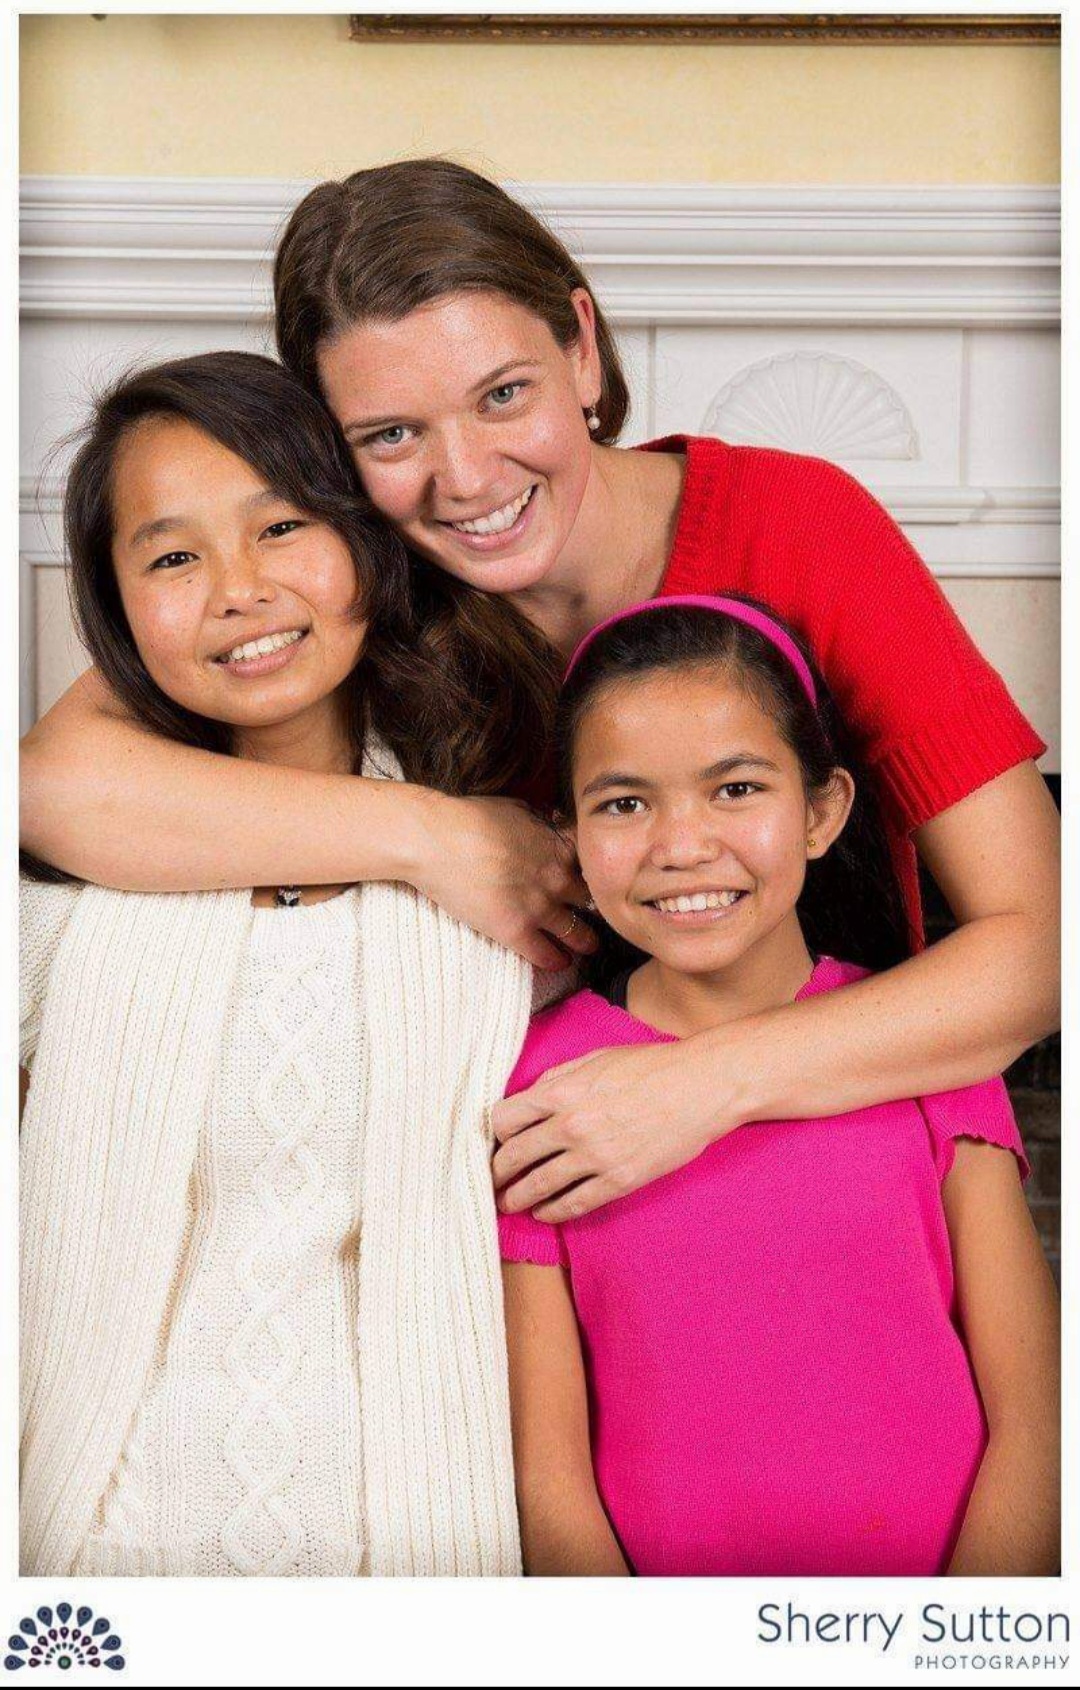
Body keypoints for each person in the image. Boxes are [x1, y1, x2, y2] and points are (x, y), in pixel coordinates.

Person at [21, 159, 1060, 1224]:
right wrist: (437, 837)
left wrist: (704, 1083)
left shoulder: (799, 524)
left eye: (503, 395)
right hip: (543, 1223)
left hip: (853, 1161)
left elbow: (1036, 946)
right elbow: (54, 785)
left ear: (580, 344)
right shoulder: (354, 583)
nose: (465, 479)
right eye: (390, 436)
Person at [19, 352, 542, 1578]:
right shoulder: (59, 897)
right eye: (171, 557)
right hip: (100, 1548)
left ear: (369, 540)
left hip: (411, 1538)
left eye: (284, 527)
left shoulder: (516, 861)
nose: (237, 591)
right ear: (113, 606)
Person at [498, 596, 1060, 1577]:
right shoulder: (541, 1084)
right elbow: (550, 1479)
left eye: (736, 789)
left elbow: (1039, 1429)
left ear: (821, 811)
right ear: (572, 836)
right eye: (624, 804)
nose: (682, 844)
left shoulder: (928, 1048)